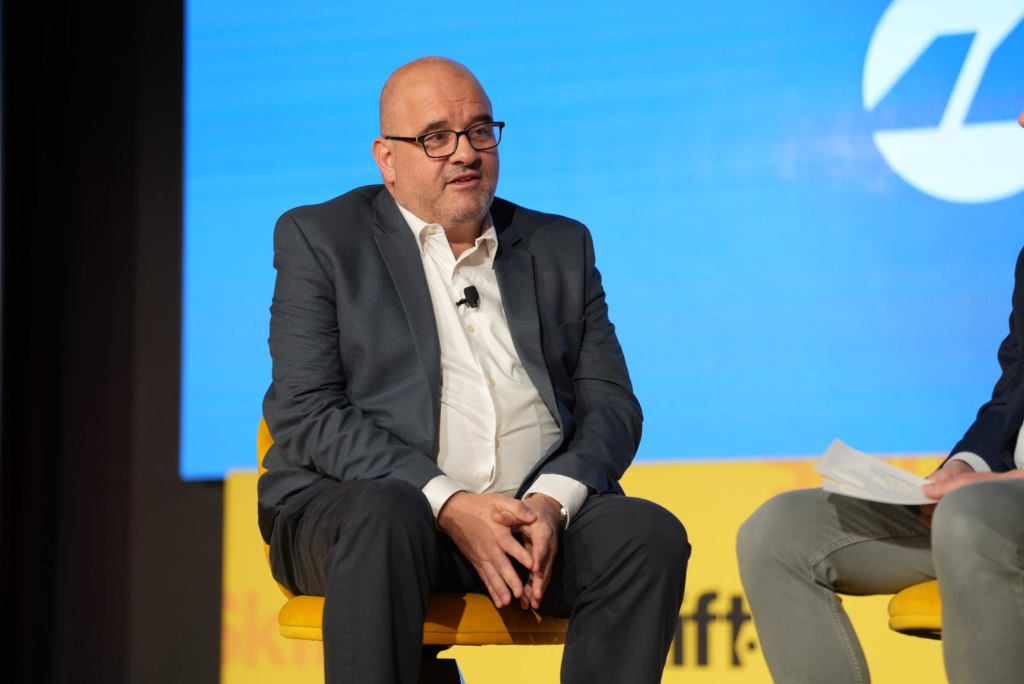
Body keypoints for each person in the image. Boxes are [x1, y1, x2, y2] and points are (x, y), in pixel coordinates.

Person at [257, 56, 690, 683]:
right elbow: (306, 409)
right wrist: (449, 502)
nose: (465, 152)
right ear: (387, 159)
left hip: (530, 523)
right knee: (390, 512)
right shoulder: (321, 238)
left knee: (645, 535)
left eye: (480, 131)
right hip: (368, 519)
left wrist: (551, 502)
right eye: (436, 137)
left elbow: (612, 407)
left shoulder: (559, 245)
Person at [737, 111, 1024, 684]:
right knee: (779, 531)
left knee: (969, 515)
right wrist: (962, 469)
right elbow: (1009, 399)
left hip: (993, 510)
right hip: (996, 505)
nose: (1020, 119)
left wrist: (991, 489)